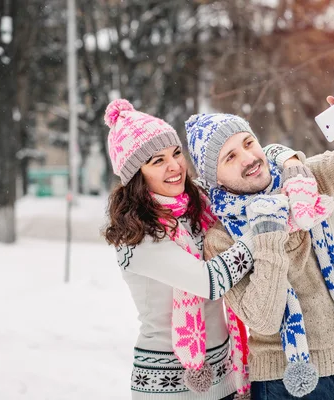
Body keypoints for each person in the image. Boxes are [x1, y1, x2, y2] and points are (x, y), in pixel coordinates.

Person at [185, 85, 334, 399]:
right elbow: (264, 319)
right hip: (280, 385)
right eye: (230, 157)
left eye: (248, 143)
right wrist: (267, 232)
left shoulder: (307, 181)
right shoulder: (221, 240)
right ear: (216, 179)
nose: (248, 157)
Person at [102, 99, 304, 400]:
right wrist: (265, 226)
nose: (175, 166)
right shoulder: (136, 236)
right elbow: (211, 281)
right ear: (136, 175)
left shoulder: (199, 207)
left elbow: (249, 165)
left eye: (176, 153)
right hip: (168, 388)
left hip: (228, 375)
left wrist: (287, 160)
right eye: (157, 161)